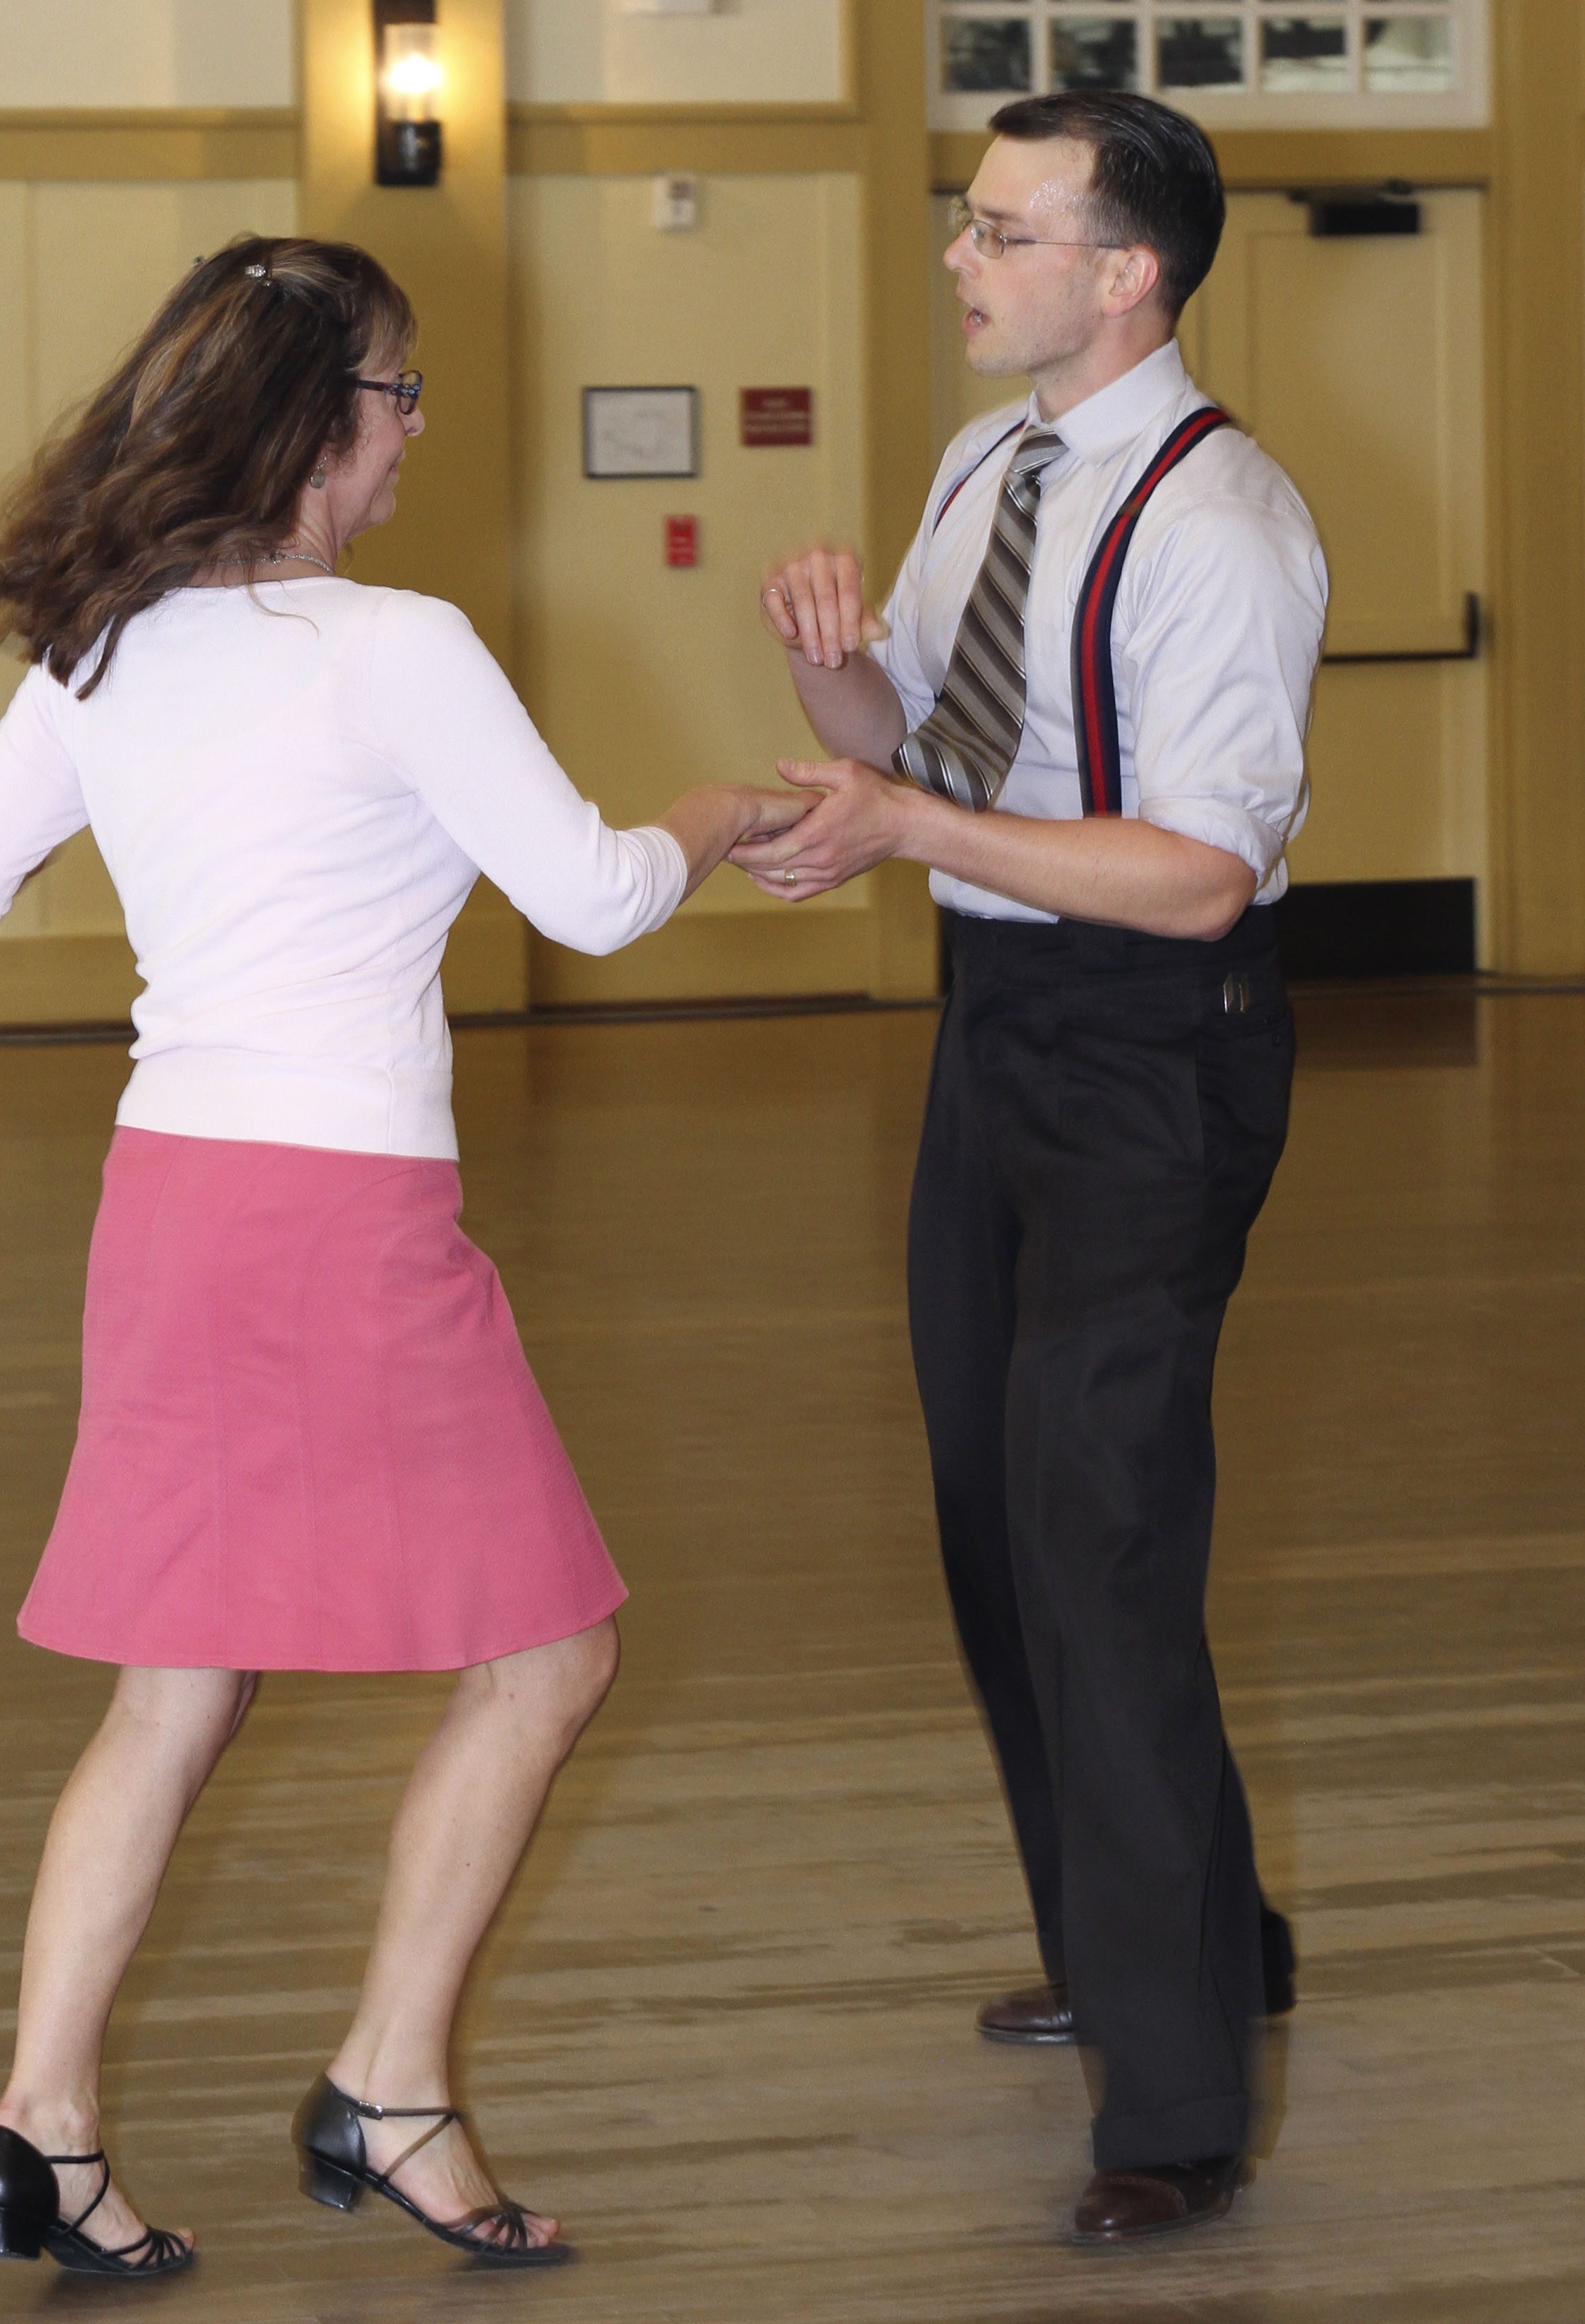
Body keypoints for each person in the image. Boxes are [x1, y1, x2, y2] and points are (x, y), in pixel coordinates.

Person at [0, 234, 804, 2275]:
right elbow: (593, 900)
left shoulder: (105, 646)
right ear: (321, 425)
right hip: (342, 1214)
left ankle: (42, 2124)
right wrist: (714, 812)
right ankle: (390, 2082)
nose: (411, 436)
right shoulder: (392, 646)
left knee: (170, 1693)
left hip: (169, 1203)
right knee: (550, 1655)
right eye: (400, 397)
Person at [738, 92, 1325, 2242]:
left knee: (1100, 1535)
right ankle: (1165, 1935)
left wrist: (912, 828)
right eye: (965, 224)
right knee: (999, 1518)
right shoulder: (991, 463)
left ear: (1125, 274)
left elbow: (1196, 872)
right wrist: (832, 676)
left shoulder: (1220, 525)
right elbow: (915, 749)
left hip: (1153, 1050)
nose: (959, 260)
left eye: (1002, 232)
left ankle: (1170, 2103)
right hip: (995, 1022)